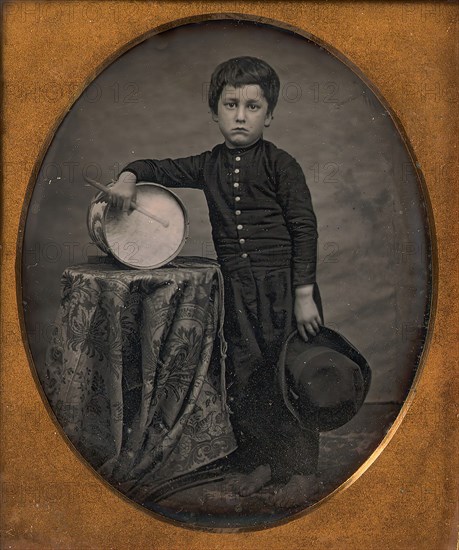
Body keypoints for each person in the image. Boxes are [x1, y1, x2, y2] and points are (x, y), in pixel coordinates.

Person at [108, 56, 323, 508]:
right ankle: (260, 462)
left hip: (284, 288)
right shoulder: (207, 165)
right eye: (231, 105)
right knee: (246, 379)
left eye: (252, 107)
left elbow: (304, 227)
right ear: (215, 111)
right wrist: (128, 176)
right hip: (239, 291)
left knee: (288, 377)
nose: (240, 116)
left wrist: (304, 293)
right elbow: (155, 167)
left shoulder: (282, 165)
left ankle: (301, 470)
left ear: (270, 114)